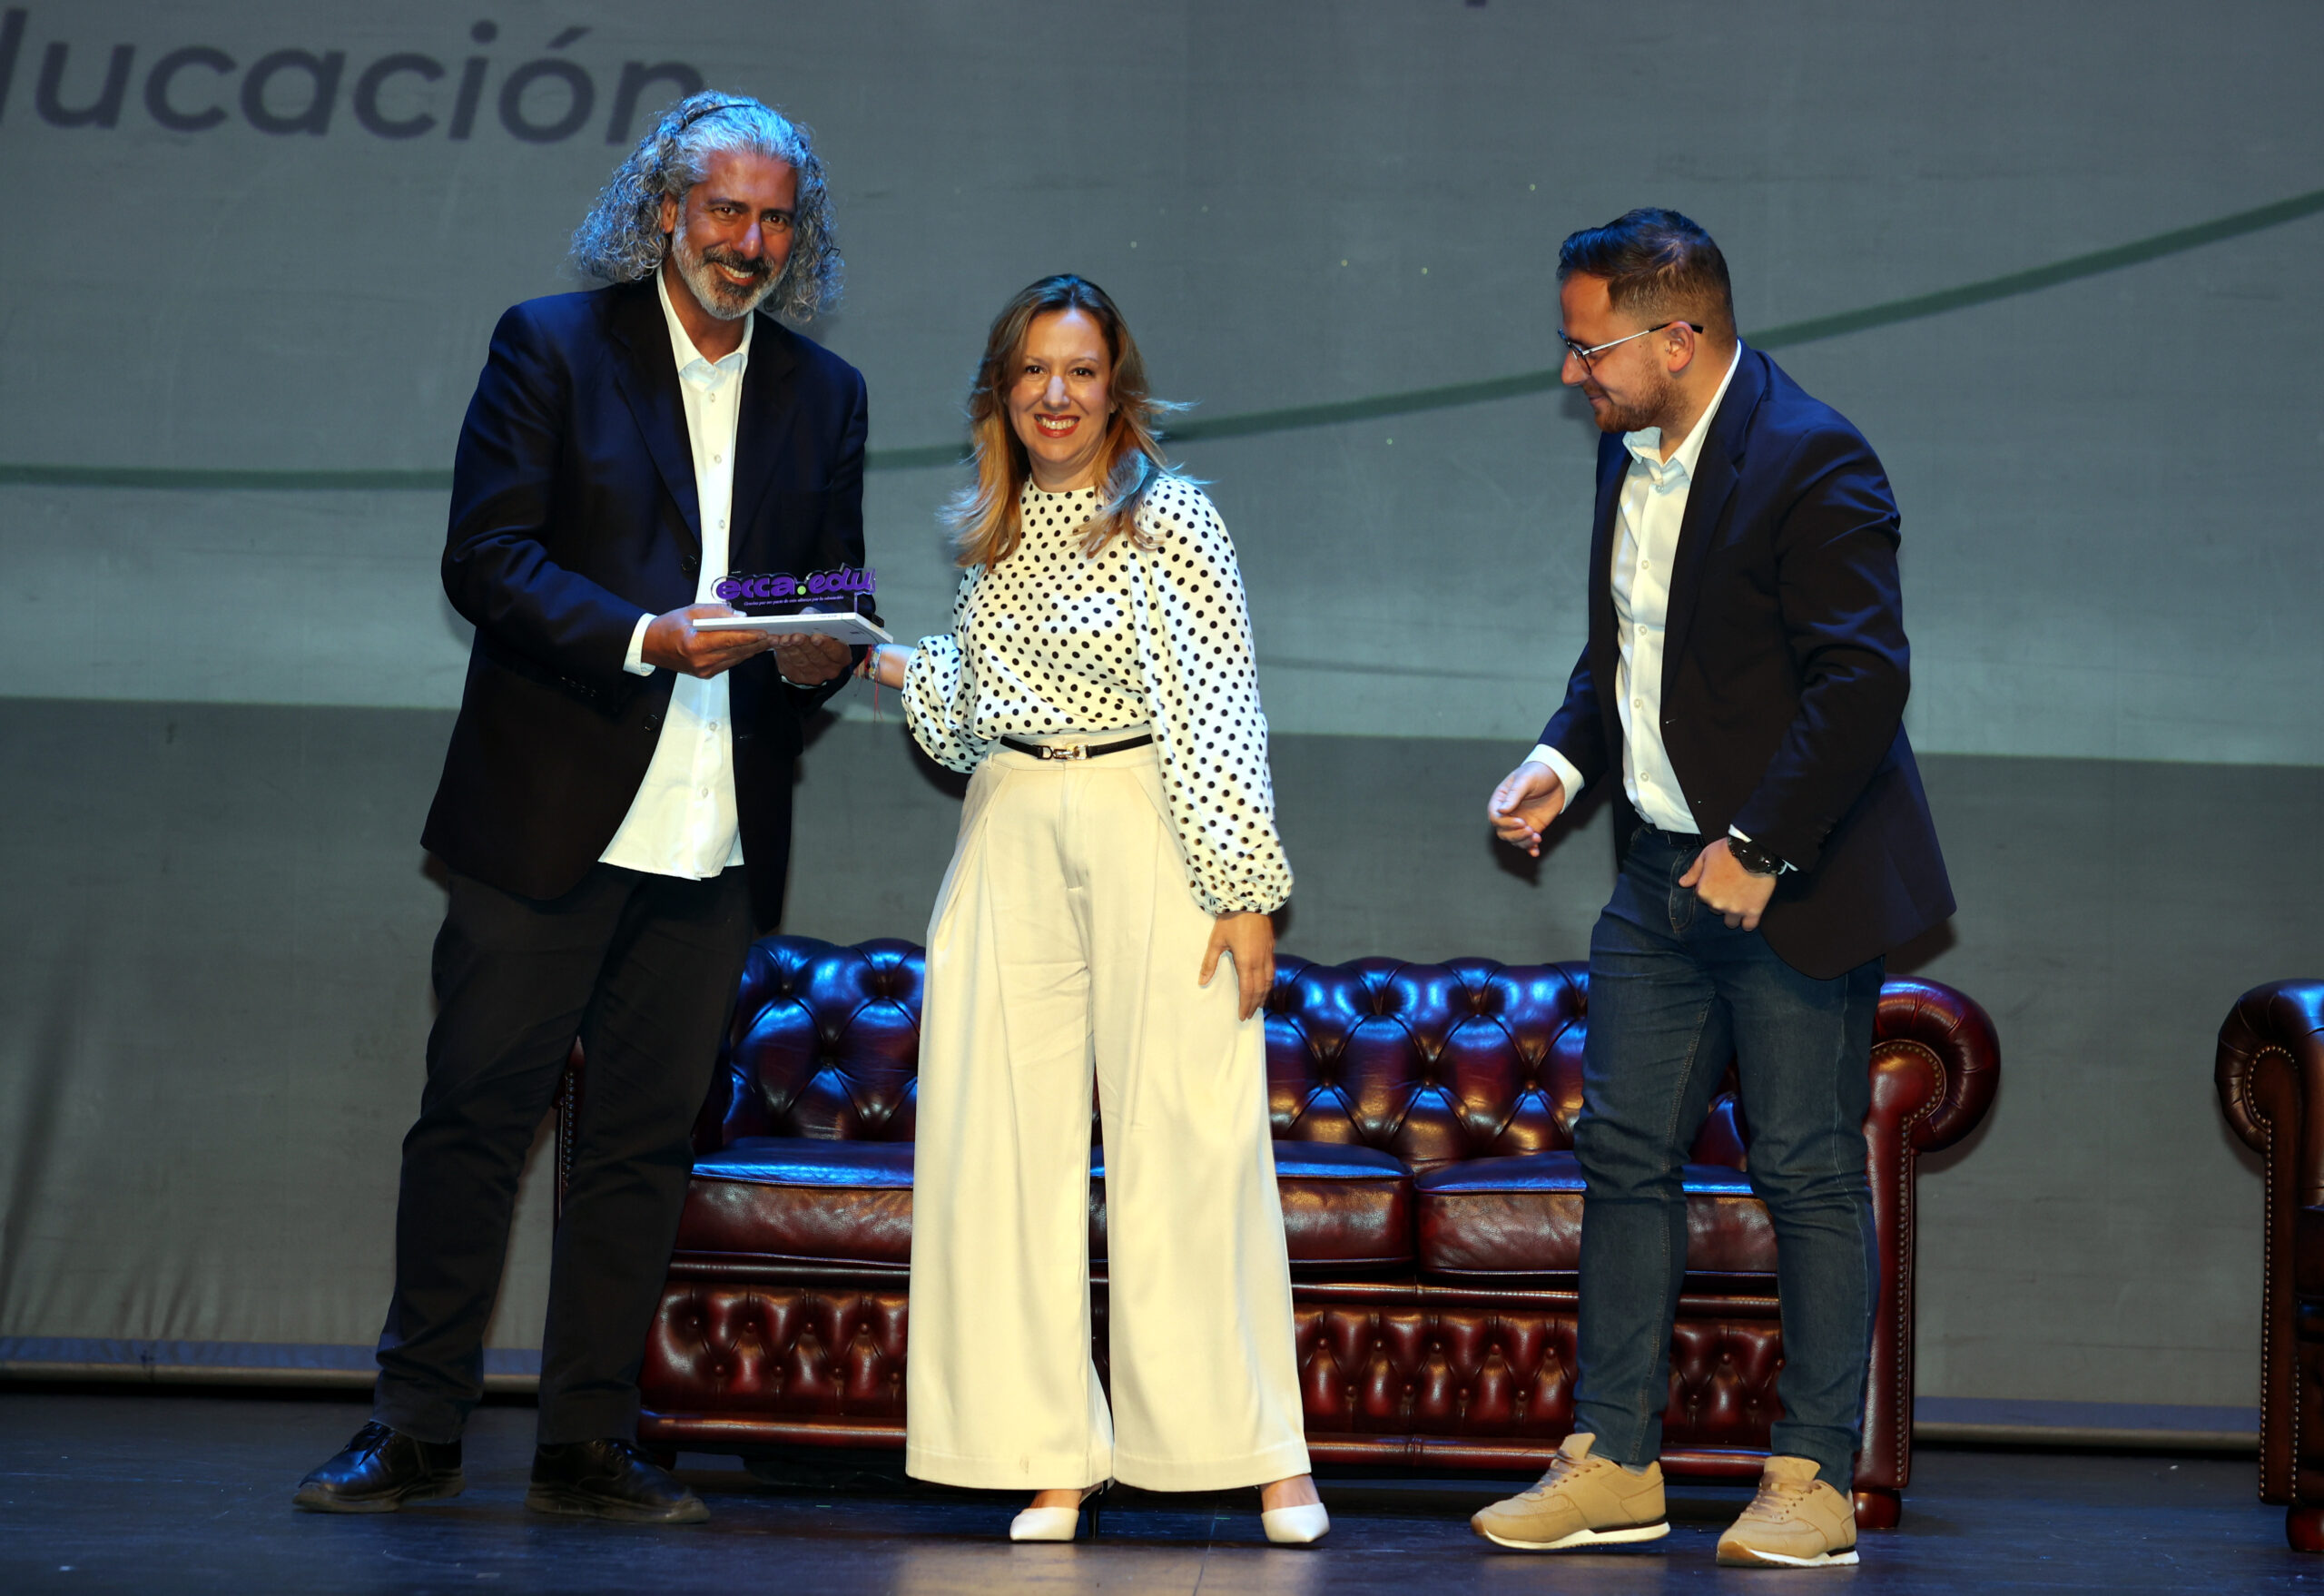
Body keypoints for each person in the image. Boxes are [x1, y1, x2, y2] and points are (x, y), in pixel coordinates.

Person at [292, 94, 869, 1523]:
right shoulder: (550, 345)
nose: (748, 244)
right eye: (725, 211)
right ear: (664, 210)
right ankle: (415, 1425)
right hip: (546, 817)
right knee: (474, 1124)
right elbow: (488, 557)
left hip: (717, 831)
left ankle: (588, 1442)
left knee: (641, 1149)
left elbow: (821, 590)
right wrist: (645, 637)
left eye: (775, 220)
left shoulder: (827, 394)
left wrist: (816, 649)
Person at [1472, 210, 1953, 1570]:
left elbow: (1862, 681)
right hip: (1656, 875)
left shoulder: (1814, 458)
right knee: (1623, 1151)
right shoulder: (1629, 452)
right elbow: (1628, 656)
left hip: (1793, 876)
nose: (1572, 373)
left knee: (1805, 1167)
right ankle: (1616, 1461)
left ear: (1677, 339)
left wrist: (1758, 846)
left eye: (1590, 350)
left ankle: (1812, 1479)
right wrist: (1561, 762)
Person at [857, 274, 1327, 1545]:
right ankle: (1049, 1454)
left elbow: (1218, 703)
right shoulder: (994, 525)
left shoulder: (1171, 516)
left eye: (1079, 371)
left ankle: (1264, 1458)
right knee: (1000, 1150)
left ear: (1116, 388)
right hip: (1008, 821)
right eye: (1032, 372)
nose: (1055, 396)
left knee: (1192, 1141)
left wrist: (1243, 890)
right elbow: (973, 714)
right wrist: (880, 657)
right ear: (1001, 391)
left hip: (1144, 816)